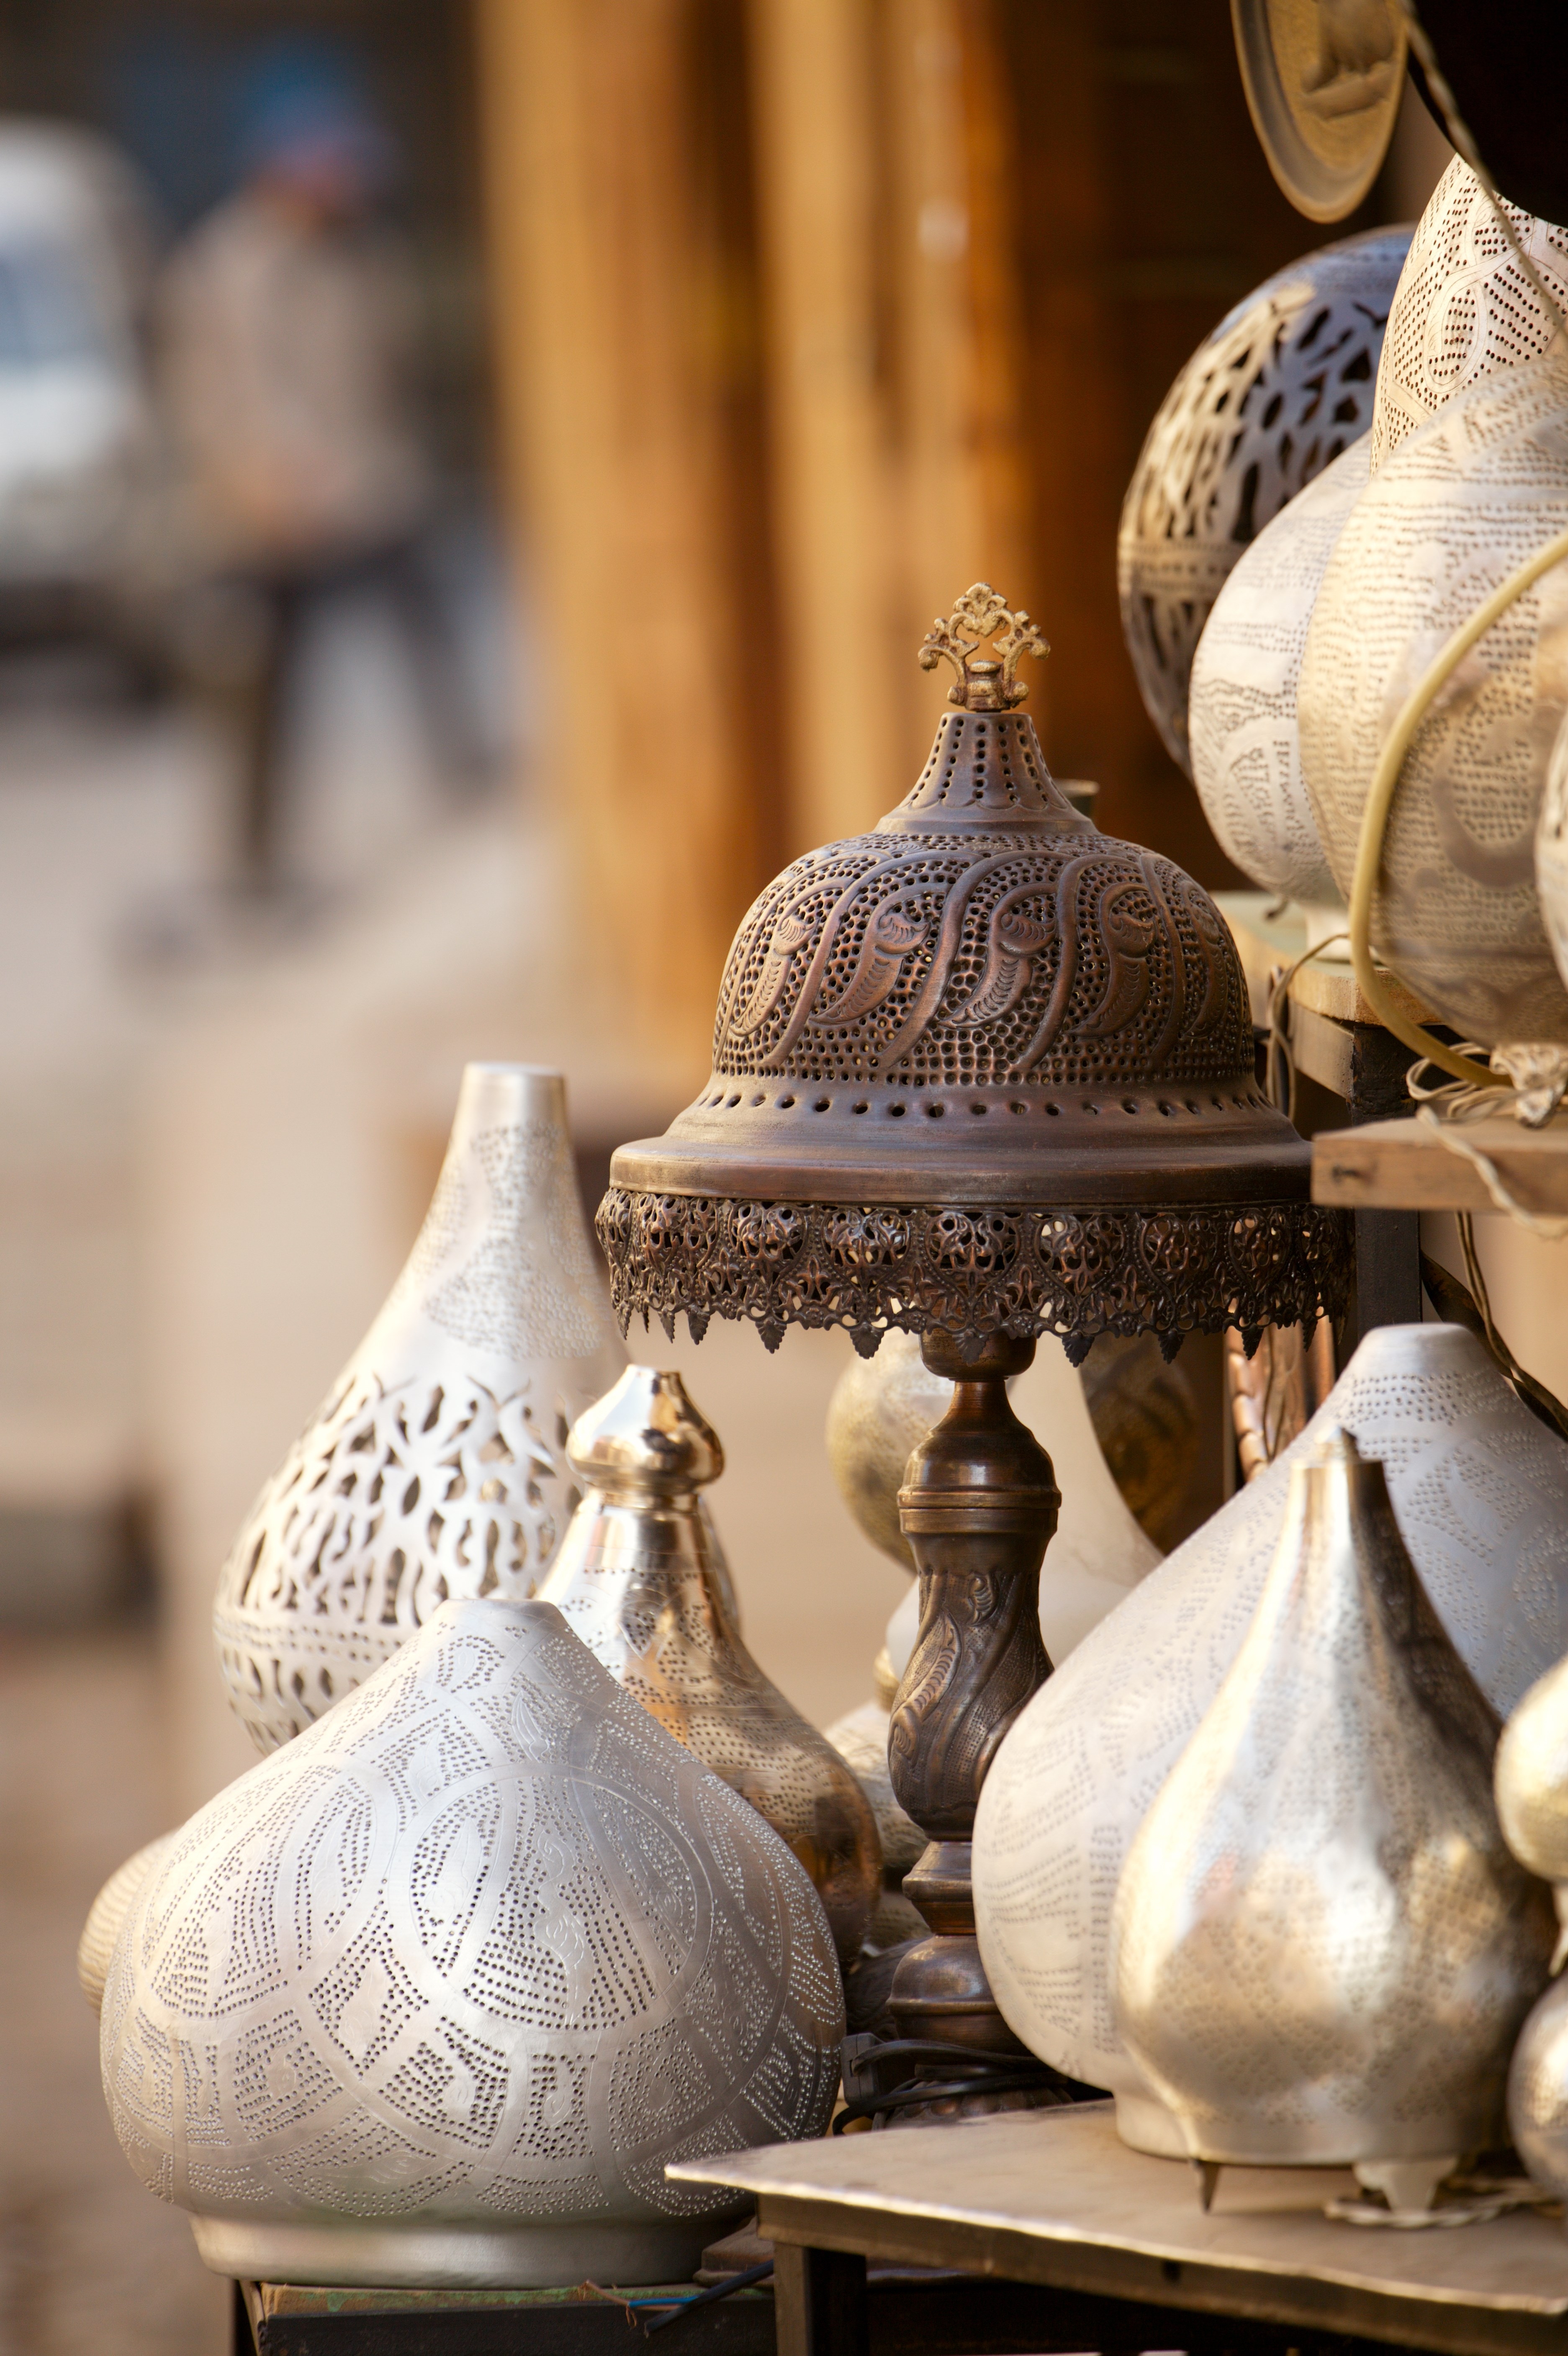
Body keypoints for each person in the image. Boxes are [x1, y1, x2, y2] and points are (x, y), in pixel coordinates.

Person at [158, 57, 481, 893]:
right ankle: (254, 861)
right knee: (261, 689)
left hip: (369, 490)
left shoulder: (364, 258)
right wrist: (258, 478)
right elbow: (212, 395)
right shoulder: (224, 267)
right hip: (268, 511)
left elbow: (389, 372)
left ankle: (466, 772)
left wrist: (379, 469)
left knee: (428, 623)